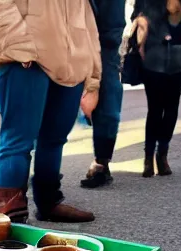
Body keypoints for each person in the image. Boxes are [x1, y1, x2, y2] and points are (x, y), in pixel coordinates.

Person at [0, 0, 101, 223]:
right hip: (23, 56)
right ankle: (11, 216)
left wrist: (93, 80)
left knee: (54, 139)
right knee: (18, 139)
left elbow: (87, 21)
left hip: (72, 65)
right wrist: (17, 43)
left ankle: (49, 201)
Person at [133, 0, 181, 177]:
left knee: (171, 106)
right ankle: (148, 158)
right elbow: (136, 18)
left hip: (179, 60)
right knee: (155, 108)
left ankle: (162, 154)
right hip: (153, 59)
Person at [80, 0, 126, 189]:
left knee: (108, 102)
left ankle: (102, 162)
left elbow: (111, 31)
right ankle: (41, 172)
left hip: (101, 45)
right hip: (64, 41)